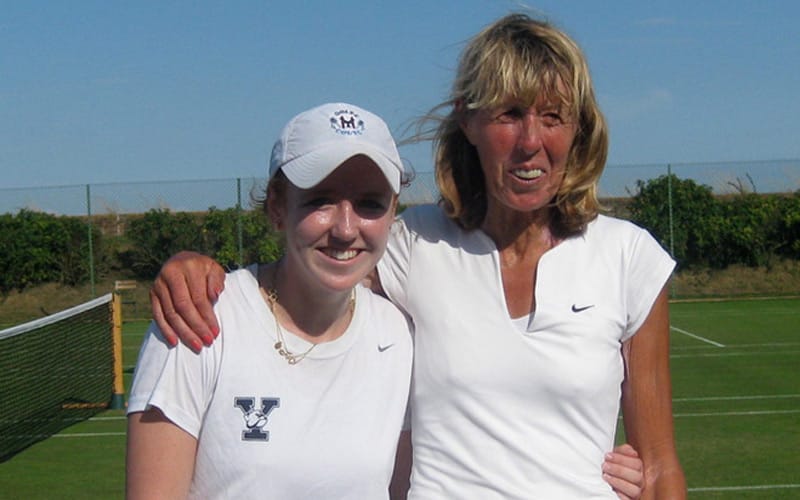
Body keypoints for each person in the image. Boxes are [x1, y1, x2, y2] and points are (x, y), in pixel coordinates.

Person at [152, 13, 686, 499]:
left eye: (554, 116)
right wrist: (193, 266)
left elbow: (658, 466)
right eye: (509, 114)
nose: (531, 141)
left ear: (578, 128)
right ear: (468, 121)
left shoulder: (629, 259)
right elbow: (304, 283)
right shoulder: (412, 244)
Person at [126, 102, 414, 499]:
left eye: (370, 203)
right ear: (278, 206)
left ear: (392, 212)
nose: (346, 229)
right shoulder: (196, 320)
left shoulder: (396, 335)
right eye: (320, 200)